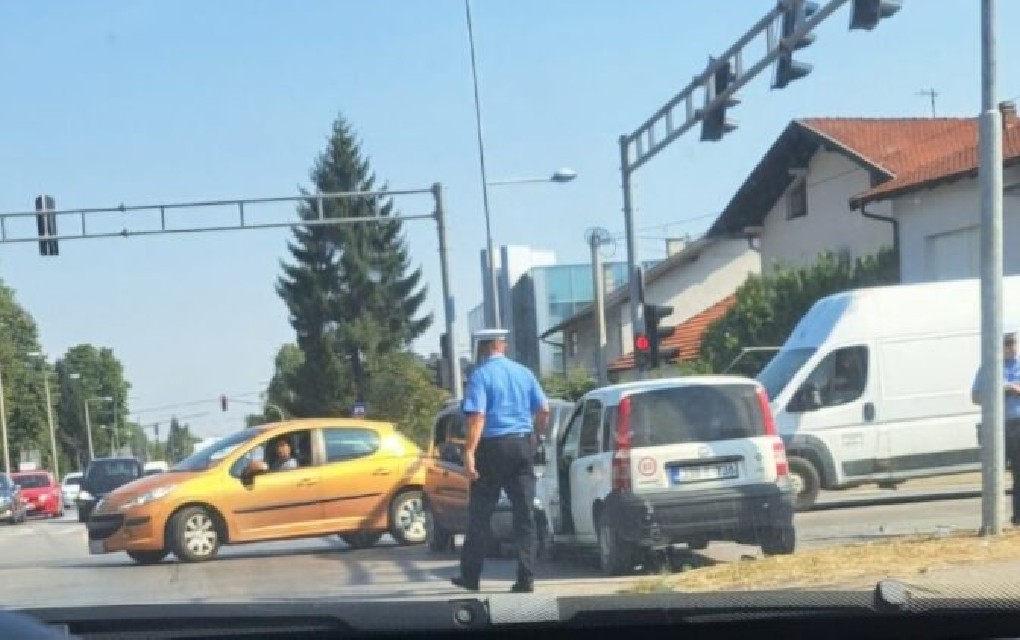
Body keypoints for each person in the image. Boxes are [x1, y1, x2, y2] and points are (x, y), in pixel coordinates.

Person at [451, 328, 550, 594]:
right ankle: (526, 578)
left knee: (480, 515)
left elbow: (477, 418)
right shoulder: (524, 373)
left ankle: (471, 576)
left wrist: (469, 453)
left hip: (491, 449)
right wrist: (536, 435)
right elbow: (543, 410)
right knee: (525, 515)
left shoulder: (480, 376)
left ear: (482, 349)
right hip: (521, 445)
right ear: (501, 346)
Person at [972, 330, 1020, 524]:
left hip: (1017, 424)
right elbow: (975, 397)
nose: (1012, 348)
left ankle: (1018, 516)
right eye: (1007, 344)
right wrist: (998, 389)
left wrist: (1015, 389)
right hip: (996, 426)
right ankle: (993, 519)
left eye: (1013, 343)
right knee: (994, 471)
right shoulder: (988, 369)